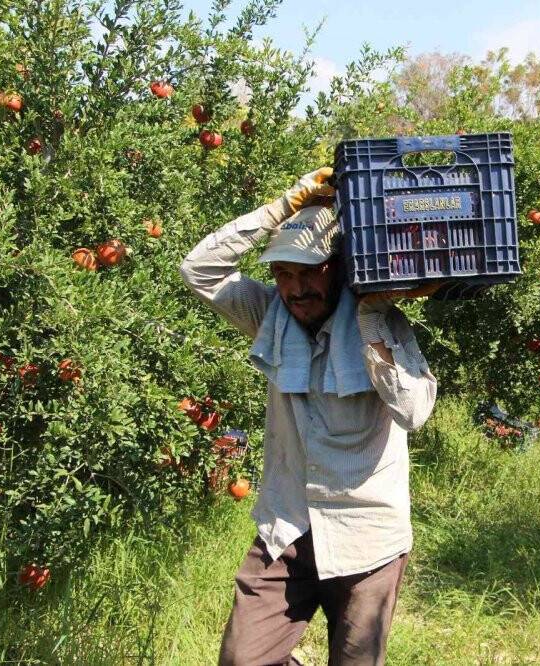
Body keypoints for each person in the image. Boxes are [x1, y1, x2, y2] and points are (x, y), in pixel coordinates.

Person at [180, 167, 438, 666]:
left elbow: (414, 411)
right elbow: (199, 269)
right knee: (241, 660)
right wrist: (283, 206)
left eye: (310, 271)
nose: (295, 288)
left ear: (339, 268)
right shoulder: (269, 315)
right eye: (283, 273)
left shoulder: (381, 321)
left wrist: (371, 320)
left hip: (368, 537)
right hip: (289, 526)